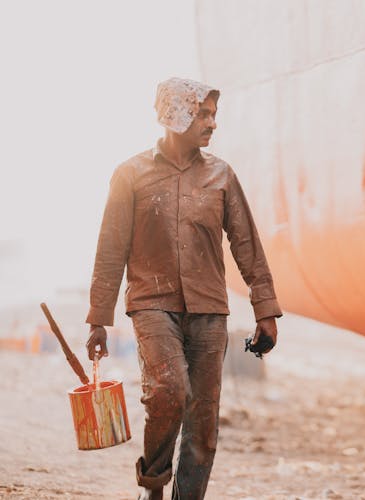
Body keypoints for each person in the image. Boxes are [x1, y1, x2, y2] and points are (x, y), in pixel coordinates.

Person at [84, 78, 282, 500]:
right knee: (169, 391)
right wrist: (99, 319)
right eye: (203, 114)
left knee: (204, 419)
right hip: (151, 304)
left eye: (213, 114)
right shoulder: (130, 175)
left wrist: (265, 309)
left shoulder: (222, 175)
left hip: (210, 309)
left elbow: (246, 243)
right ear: (175, 115)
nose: (212, 124)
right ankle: (153, 485)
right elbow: (110, 249)